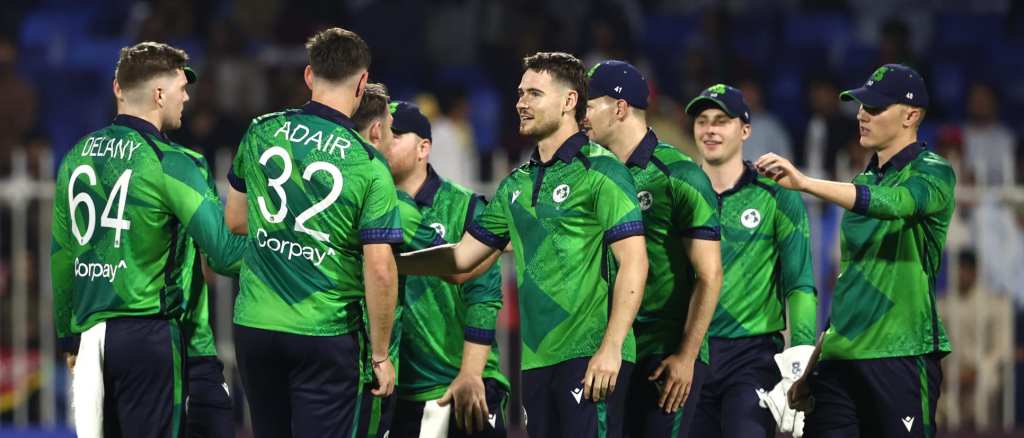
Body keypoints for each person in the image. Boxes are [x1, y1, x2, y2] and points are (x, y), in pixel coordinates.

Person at [397, 51, 649, 438]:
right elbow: (462, 258)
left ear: (569, 101)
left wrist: (612, 347)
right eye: (519, 93)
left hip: (590, 355)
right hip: (535, 362)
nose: (521, 103)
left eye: (534, 94)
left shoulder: (602, 171)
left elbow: (634, 262)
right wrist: (395, 263)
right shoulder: (515, 185)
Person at [51, 41, 245, 437]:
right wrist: (283, 243)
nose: (186, 97)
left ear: (117, 88)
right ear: (159, 94)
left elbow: (62, 257)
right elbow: (225, 254)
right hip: (152, 335)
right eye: (181, 88)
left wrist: (68, 337)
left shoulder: (75, 157)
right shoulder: (173, 163)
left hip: (90, 339)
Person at [756, 64, 954, 438]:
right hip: (839, 362)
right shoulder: (861, 181)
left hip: (901, 354)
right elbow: (851, 284)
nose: (862, 114)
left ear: (911, 116)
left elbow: (898, 203)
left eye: (875, 108)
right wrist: (811, 368)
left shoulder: (933, 171)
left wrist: (805, 183)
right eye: (862, 106)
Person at [224, 27, 401, 438]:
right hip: (325, 332)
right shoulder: (368, 164)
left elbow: (234, 220)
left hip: (256, 326)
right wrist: (380, 355)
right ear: (362, 82)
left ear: (309, 75)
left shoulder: (260, 131)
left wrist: (284, 234)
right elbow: (380, 269)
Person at [583, 60, 722, 437]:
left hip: (665, 350)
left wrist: (687, 356)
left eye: (589, 106)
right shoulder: (591, 176)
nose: (582, 117)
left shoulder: (680, 175)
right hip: (613, 346)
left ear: (619, 108)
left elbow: (709, 274)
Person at [683, 83, 818, 438]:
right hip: (688, 353)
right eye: (702, 120)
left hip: (752, 357)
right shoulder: (677, 192)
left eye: (721, 121)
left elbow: (800, 283)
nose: (710, 129)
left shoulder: (776, 195)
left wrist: (799, 361)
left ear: (745, 130)